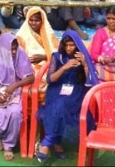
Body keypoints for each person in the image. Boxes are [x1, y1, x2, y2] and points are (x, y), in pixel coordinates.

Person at [35, 31, 98, 163]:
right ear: (63, 45)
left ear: (77, 45)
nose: (69, 48)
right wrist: (64, 67)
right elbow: (50, 79)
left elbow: (92, 82)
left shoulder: (83, 57)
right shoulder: (57, 57)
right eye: (67, 45)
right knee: (57, 104)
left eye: (72, 45)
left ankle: (48, 142)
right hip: (57, 89)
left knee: (61, 105)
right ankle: (55, 142)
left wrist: (85, 64)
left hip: (76, 91)